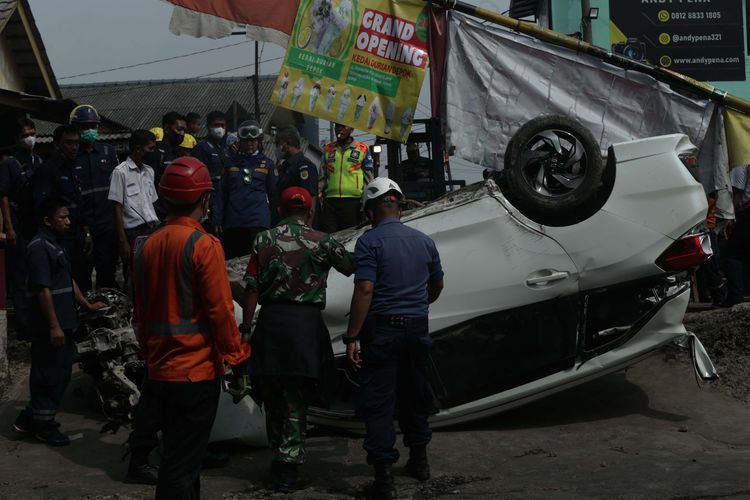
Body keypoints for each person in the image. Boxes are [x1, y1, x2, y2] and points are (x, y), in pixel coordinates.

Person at [131, 156, 250, 498]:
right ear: (205, 199)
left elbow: (141, 312)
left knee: (179, 455)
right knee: (181, 466)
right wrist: (238, 356)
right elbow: (220, 312)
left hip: (159, 371)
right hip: (195, 374)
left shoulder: (144, 246)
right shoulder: (204, 246)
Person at [241, 186, 355, 492]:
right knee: (295, 397)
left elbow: (251, 286)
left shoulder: (262, 239)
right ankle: (287, 467)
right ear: (310, 211)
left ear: (280, 210)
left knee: (273, 392)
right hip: (303, 326)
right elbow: (350, 266)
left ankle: (278, 456)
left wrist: (246, 329)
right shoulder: (323, 241)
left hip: (271, 323)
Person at [343, 178, 444, 500]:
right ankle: (420, 462)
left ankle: (384, 479)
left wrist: (352, 336)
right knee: (415, 395)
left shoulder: (369, 242)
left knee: (380, 403)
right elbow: (437, 285)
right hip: (417, 329)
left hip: (384, 332)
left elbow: (364, 289)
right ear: (399, 205)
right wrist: (417, 307)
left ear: (371, 211)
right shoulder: (424, 241)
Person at [12, 195, 105, 446]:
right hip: (49, 326)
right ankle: (44, 426)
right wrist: (53, 325)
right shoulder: (39, 248)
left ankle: (28, 420)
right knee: (49, 374)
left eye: (68, 216)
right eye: (62, 217)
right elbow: (43, 290)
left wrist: (86, 305)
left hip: (65, 321)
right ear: (47, 220)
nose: (68, 221)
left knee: (62, 371)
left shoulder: (56, 245)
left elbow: (67, 279)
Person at [0, 118, 43, 337]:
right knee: (19, 276)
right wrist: (9, 227)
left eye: (33, 133)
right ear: (17, 139)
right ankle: (24, 326)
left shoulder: (39, 161)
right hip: (17, 224)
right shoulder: (9, 164)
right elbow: (4, 197)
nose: (31, 138)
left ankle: (38, 319)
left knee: (38, 273)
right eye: (26, 134)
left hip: (36, 224)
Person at [33, 125, 90, 291]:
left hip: (77, 235)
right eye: (69, 143)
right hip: (60, 238)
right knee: (64, 282)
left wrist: (86, 232)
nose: (74, 147)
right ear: (57, 145)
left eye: (77, 143)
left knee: (82, 278)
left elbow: (79, 202)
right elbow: (42, 206)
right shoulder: (48, 170)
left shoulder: (75, 167)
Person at [69, 104, 119, 291]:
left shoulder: (108, 152)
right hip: (82, 227)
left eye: (93, 126)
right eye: (84, 126)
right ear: (75, 129)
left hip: (108, 225)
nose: (89, 130)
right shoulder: (71, 157)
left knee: (107, 274)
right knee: (82, 274)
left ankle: (105, 314)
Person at [220, 120, 277, 259]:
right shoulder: (229, 163)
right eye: (246, 141)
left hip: (258, 223)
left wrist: (275, 222)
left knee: (258, 263)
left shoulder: (268, 164)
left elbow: (274, 195)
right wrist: (217, 218)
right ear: (240, 142)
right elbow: (222, 193)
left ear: (259, 141)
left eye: (253, 140)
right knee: (233, 265)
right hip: (234, 224)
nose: (249, 144)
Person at [108, 130, 160, 277]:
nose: (153, 152)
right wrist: (122, 240)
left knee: (153, 274)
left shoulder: (149, 171)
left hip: (152, 229)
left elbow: (153, 203)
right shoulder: (120, 172)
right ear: (138, 148)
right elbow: (116, 207)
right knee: (135, 275)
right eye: (150, 148)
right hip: (133, 233)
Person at [320, 123, 374, 232]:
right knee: (331, 238)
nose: (340, 129)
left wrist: (367, 202)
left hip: (353, 203)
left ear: (352, 129)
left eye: (344, 126)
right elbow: (322, 177)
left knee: (349, 236)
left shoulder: (362, 149)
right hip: (330, 202)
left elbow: (369, 179)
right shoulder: (328, 149)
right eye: (337, 126)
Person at [145, 112, 189, 221]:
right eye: (179, 129)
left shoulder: (179, 154)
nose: (182, 133)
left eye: (184, 130)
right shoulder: (156, 152)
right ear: (167, 128)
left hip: (177, 212)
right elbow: (147, 184)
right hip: (159, 214)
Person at [192, 110, 230, 235]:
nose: (220, 128)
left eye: (222, 125)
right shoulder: (201, 148)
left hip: (225, 202)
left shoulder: (225, 149)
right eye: (216, 125)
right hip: (210, 203)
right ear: (208, 126)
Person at [274, 125, 319, 224]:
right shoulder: (285, 166)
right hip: (285, 222)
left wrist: (308, 225)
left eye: (278, 143)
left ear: (286, 144)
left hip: (300, 224)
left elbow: (311, 197)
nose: (276, 148)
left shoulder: (304, 165)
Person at [720, 165, 750, 307]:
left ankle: (735, 296)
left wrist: (729, 217)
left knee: (732, 255)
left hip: (746, 214)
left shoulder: (741, 169)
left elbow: (737, 196)